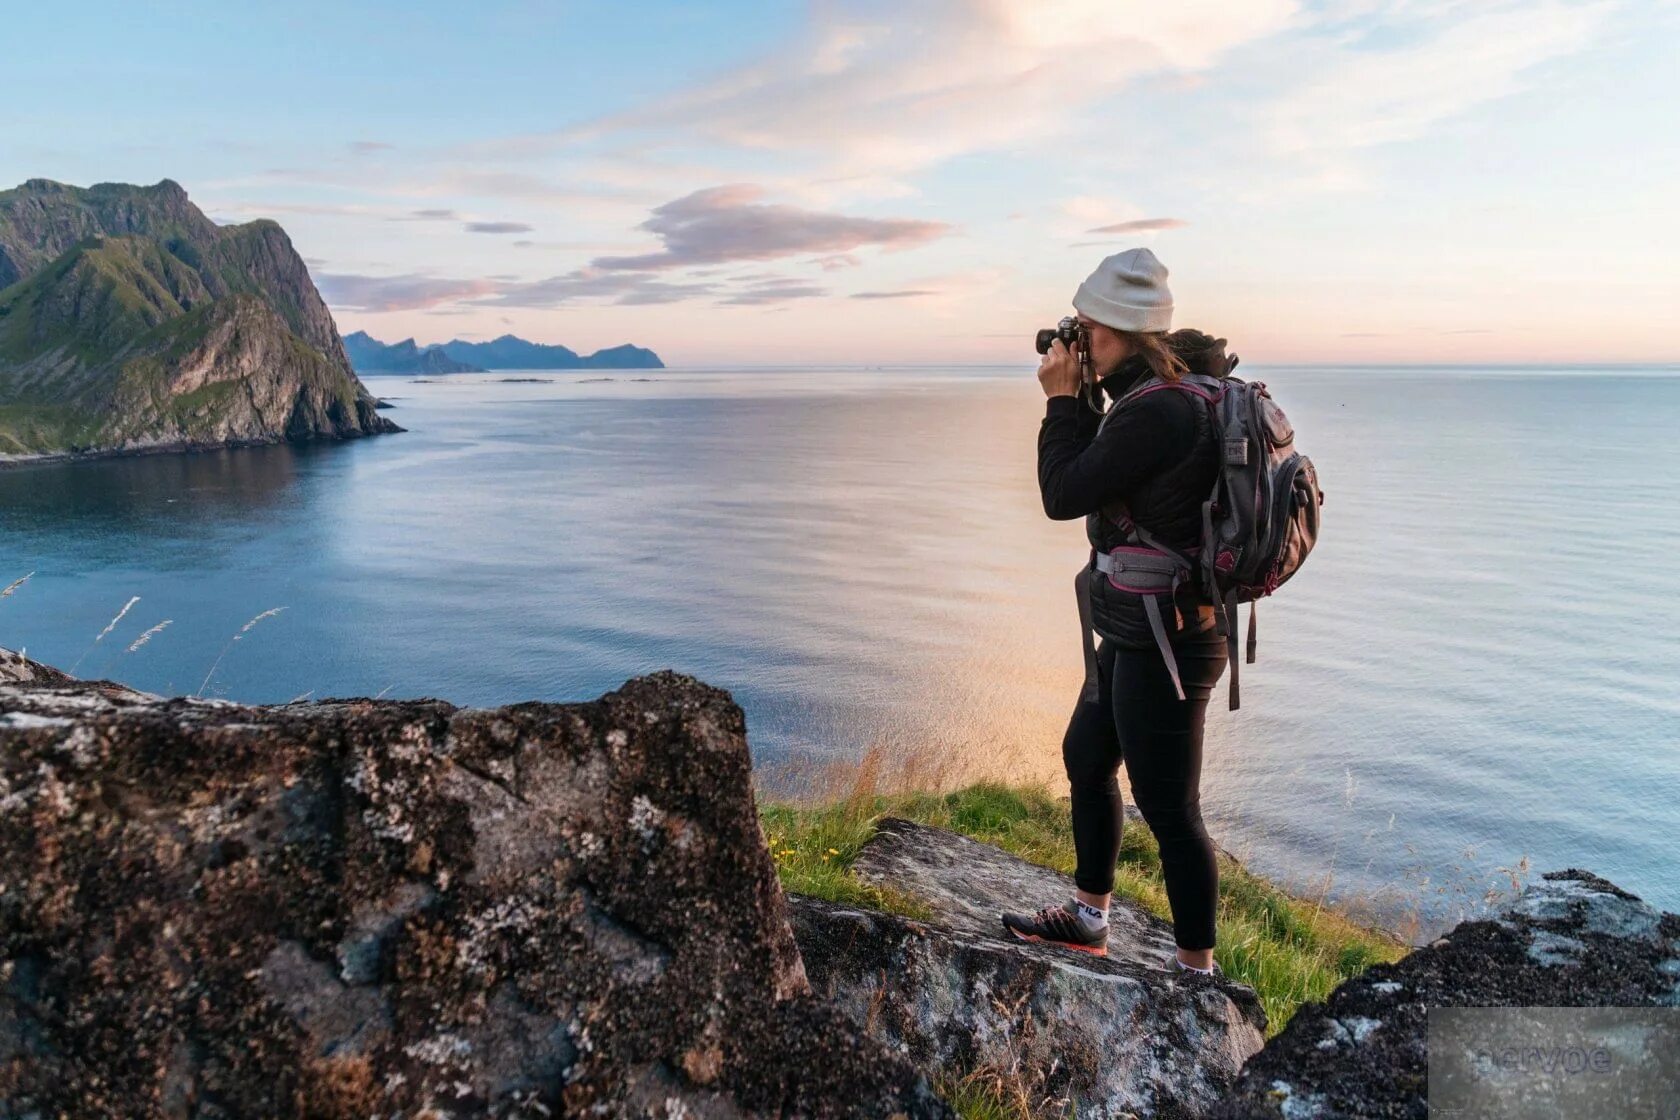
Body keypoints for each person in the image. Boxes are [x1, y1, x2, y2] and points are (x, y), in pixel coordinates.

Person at [1000, 247, 1234, 976]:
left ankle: (1198, 976)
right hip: (1142, 627)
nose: (1079, 342)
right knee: (1086, 756)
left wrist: (1062, 401)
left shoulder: (1159, 410)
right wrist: (1088, 393)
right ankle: (1087, 917)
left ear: (1128, 333)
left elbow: (1062, 494)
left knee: (1169, 809)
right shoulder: (1150, 395)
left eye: (1092, 332)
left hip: (1170, 639)